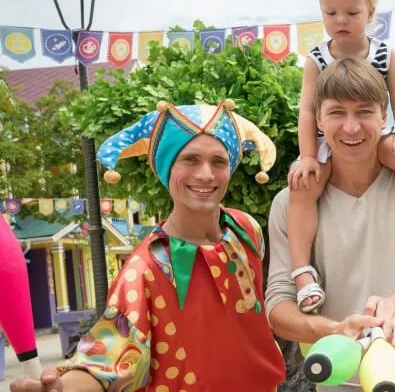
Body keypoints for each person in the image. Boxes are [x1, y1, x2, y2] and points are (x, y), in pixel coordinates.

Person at [11, 100, 287, 391]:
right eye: (190, 159)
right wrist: (61, 388)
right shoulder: (144, 270)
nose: (206, 174)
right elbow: (110, 357)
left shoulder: (246, 230)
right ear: (165, 168)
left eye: (218, 161)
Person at [264, 58, 395, 391]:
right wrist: (335, 331)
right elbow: (279, 307)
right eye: (337, 113)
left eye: (364, 112)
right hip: (343, 381)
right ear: (319, 119)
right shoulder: (289, 203)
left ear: (383, 118)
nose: (351, 127)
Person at [287, 0, 395, 314]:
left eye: (351, 12)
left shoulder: (385, 55)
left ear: (371, 12)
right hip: (330, 143)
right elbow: (308, 112)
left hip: (378, 136)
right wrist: (308, 156)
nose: (340, 20)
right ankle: (302, 273)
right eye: (331, 13)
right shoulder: (316, 60)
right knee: (302, 186)